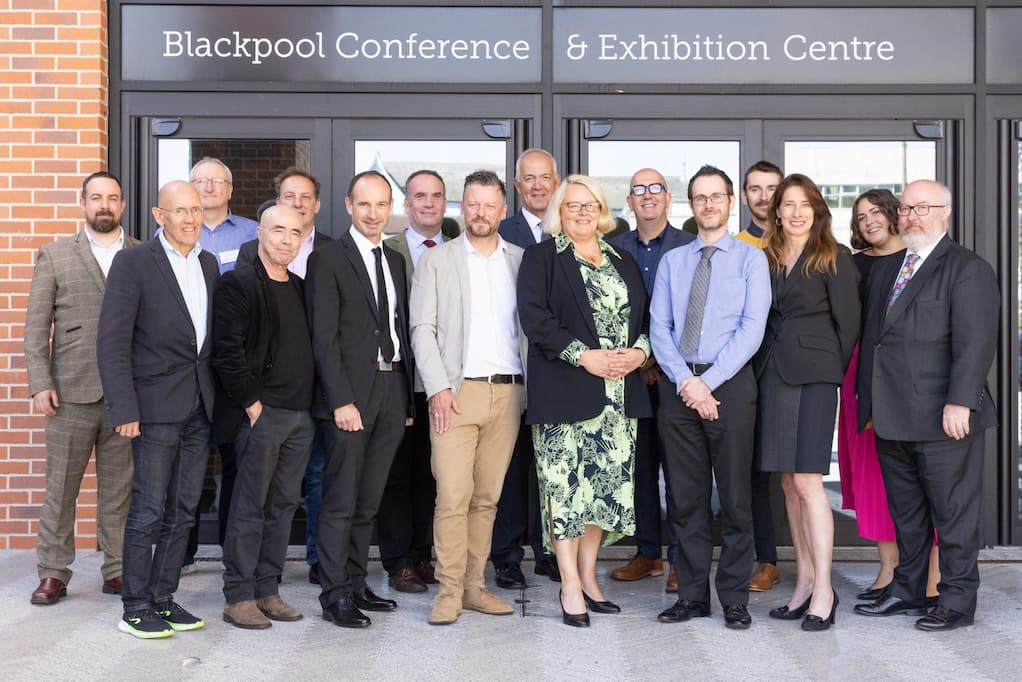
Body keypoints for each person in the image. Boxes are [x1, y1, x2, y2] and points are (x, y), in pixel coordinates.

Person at [853, 180, 998, 631]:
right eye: (907, 209)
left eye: (922, 208)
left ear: (945, 213)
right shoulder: (900, 264)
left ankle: (955, 602)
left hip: (943, 417)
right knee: (909, 516)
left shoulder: (966, 268)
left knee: (953, 515)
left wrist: (961, 403)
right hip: (893, 415)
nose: (912, 216)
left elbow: (975, 344)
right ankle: (908, 591)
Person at [517, 175, 651, 627]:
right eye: (571, 205)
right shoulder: (542, 259)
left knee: (603, 495)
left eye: (589, 204)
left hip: (617, 398)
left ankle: (590, 577)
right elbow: (536, 320)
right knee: (566, 492)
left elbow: (645, 321)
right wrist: (585, 357)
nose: (581, 212)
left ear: (601, 209)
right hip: (564, 390)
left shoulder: (622, 259)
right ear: (559, 210)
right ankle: (569, 583)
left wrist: (640, 353)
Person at [97, 180, 219, 639]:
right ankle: (135, 604)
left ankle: (164, 598)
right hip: (151, 408)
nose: (191, 218)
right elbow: (111, 341)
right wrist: (123, 406)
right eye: (180, 210)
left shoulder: (207, 264)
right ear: (158, 215)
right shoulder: (133, 263)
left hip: (198, 407)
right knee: (148, 508)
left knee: (184, 509)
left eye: (196, 210)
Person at [651, 166, 770, 630]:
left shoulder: (750, 260)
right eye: (700, 197)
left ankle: (734, 598)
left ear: (730, 202)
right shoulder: (674, 262)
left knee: (736, 500)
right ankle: (693, 596)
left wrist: (709, 383)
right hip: (680, 386)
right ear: (691, 205)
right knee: (685, 499)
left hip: (731, 385)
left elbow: (752, 331)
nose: (708, 205)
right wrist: (686, 382)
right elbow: (659, 328)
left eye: (716, 196)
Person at [410, 170, 526, 625]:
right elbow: (422, 328)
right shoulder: (438, 261)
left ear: (502, 210)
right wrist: (437, 387)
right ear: (463, 208)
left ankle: (475, 587)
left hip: (509, 393)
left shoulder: (519, 260)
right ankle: (449, 591)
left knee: (487, 498)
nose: (480, 213)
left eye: (489, 205)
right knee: (453, 496)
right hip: (456, 394)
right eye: (472, 204)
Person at [305, 170, 414, 629]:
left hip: (391, 389)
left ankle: (356, 583)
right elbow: (323, 338)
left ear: (391, 208)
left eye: (382, 205)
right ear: (349, 205)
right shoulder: (328, 258)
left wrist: (406, 402)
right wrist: (339, 400)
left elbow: (399, 331)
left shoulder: (394, 259)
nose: (374, 213)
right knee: (340, 500)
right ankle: (333, 596)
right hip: (351, 394)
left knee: (369, 499)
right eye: (365, 204)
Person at [25, 172, 138, 605]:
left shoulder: (142, 253)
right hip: (69, 392)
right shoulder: (55, 255)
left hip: (125, 396)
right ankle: (53, 572)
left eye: (111, 198)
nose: (104, 205)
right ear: (83, 203)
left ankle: (117, 569)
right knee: (61, 490)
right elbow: (36, 326)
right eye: (96, 198)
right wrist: (40, 383)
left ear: (123, 205)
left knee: (119, 490)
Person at [755, 173, 860, 632]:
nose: (796, 212)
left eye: (805, 205)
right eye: (787, 204)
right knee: (787, 485)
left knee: (809, 482)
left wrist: (825, 372)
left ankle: (824, 591)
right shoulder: (768, 257)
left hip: (814, 378)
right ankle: (803, 583)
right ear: (776, 211)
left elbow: (849, 325)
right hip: (772, 376)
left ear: (818, 211)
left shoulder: (834, 257)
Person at [837, 189, 942, 604]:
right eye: (861, 217)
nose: (868, 221)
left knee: (921, 477)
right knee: (871, 476)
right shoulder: (852, 264)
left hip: (906, 377)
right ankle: (889, 567)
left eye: (875, 212)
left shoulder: (919, 260)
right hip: (858, 375)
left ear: (895, 214)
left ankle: (932, 577)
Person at [214, 206, 316, 629]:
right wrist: (252, 405)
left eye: (295, 232)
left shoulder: (300, 287)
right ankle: (238, 595)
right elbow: (227, 352)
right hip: (261, 415)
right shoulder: (237, 283)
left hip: (299, 417)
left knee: (282, 507)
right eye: (278, 230)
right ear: (260, 232)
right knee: (249, 507)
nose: (286, 239)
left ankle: (267, 590)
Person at [236, 167, 332, 585]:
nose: (297, 204)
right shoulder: (244, 268)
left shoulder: (321, 259)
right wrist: (252, 401)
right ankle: (242, 586)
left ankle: (287, 575)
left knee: (298, 492)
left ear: (317, 206)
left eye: (305, 197)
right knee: (254, 498)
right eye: (289, 196)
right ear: (263, 229)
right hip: (266, 405)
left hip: (309, 401)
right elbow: (234, 343)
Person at [608, 168, 693, 593]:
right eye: (638, 189)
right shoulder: (612, 247)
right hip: (628, 377)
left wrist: (659, 357)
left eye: (655, 188)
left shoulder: (688, 246)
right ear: (630, 199)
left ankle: (680, 558)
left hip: (675, 375)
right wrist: (635, 359)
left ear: (667, 198)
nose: (647, 196)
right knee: (638, 468)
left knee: (679, 471)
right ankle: (648, 553)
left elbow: (692, 313)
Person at [180, 156, 260, 575]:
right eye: (200, 180)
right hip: (187, 367)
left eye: (216, 181)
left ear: (230, 189)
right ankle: (185, 551)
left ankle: (233, 551)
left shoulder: (252, 234)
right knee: (189, 463)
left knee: (234, 463)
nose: (208, 186)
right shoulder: (168, 234)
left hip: (233, 365)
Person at [376, 169, 450, 594]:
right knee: (396, 474)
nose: (427, 203)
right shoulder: (387, 252)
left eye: (436, 196)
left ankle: (423, 555)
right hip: (400, 382)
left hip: (445, 384)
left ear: (444, 204)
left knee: (434, 473)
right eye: (419, 196)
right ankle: (399, 560)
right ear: (407, 204)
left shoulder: (457, 251)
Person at [492, 149, 562, 588]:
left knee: (552, 467)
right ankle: (506, 556)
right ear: (516, 186)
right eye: (528, 179)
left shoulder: (570, 229)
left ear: (556, 183)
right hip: (513, 365)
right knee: (513, 468)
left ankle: (550, 550)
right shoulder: (502, 231)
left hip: (559, 370)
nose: (537, 186)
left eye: (544, 178)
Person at [738, 160, 785, 592]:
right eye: (755, 188)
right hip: (746, 372)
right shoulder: (735, 245)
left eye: (771, 188)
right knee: (753, 470)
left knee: (791, 471)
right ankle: (765, 559)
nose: (763, 196)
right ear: (745, 196)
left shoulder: (799, 243)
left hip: (789, 372)